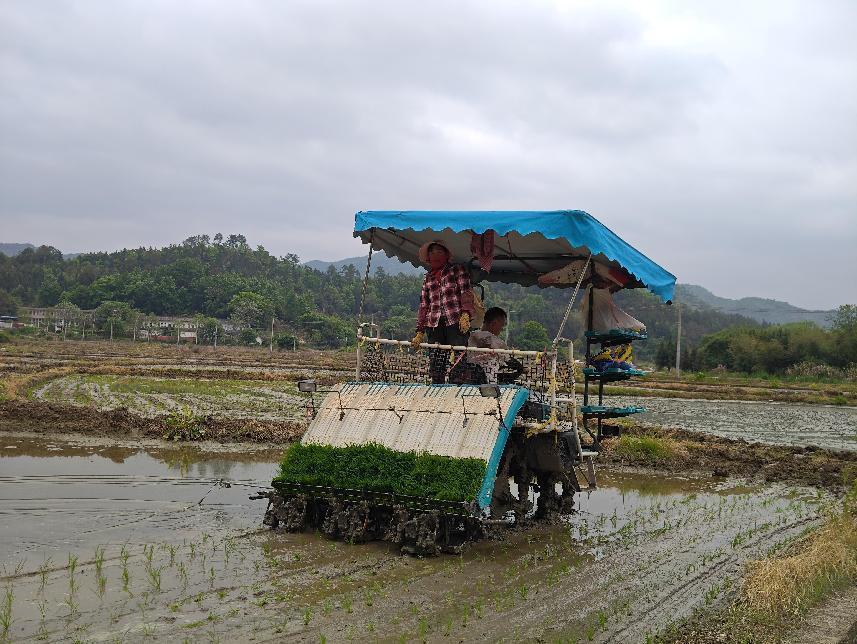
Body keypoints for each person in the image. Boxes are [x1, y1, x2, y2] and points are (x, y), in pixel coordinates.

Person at [411, 240, 474, 384]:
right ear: (428, 257)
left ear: (446, 255)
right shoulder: (428, 278)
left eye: (439, 252)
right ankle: (437, 385)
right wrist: (420, 331)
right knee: (436, 359)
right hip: (434, 324)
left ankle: (456, 386)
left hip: (456, 321)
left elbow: (466, 293)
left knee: (459, 355)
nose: (435, 256)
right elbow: (424, 305)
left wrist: (466, 314)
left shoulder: (457, 270)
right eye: (432, 253)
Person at [467, 307, 510, 384]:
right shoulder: (491, 339)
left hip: (472, 376)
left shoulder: (471, 335)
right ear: (493, 323)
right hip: (483, 379)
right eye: (501, 326)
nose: (501, 329)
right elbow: (507, 356)